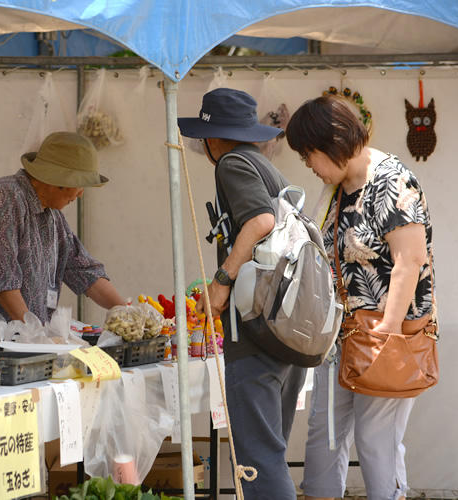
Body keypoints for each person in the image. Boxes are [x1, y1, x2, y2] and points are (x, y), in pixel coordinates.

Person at [285, 96, 434, 500]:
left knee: (375, 439)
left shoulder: (391, 180)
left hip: (386, 336)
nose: (309, 166)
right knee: (326, 431)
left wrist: (386, 332)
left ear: (330, 143)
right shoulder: (336, 188)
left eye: (308, 155)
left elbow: (410, 259)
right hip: (341, 339)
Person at [178, 88, 307, 499]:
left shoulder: (232, 164)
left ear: (214, 138)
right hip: (288, 329)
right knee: (270, 453)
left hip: (255, 332)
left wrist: (221, 280)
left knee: (257, 461)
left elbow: (261, 222)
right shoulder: (267, 168)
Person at [0, 131, 125, 326]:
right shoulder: (3, 199)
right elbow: (2, 282)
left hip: (24, 340)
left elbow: (84, 271)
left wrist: (127, 312)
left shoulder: (52, 215)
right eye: (80, 185)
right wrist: (36, 335)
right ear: (58, 180)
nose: (80, 194)